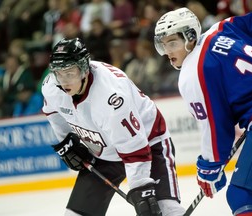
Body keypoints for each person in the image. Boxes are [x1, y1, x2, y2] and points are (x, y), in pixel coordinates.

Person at [154, 7, 252, 216]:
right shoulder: (223, 28)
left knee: (242, 195)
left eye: (173, 43)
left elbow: (216, 127)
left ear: (190, 36)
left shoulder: (192, 71)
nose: (168, 51)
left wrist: (209, 167)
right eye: (163, 44)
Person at [41, 37, 186, 216]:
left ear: (84, 69)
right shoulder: (51, 86)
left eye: (70, 73)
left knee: (166, 211)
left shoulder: (111, 97)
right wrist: (66, 141)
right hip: (104, 153)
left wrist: (141, 189)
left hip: (148, 142)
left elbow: (135, 150)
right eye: (59, 73)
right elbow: (54, 112)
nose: (63, 81)